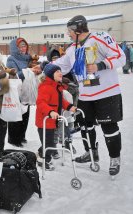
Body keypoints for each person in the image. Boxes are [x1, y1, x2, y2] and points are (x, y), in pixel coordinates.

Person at [54, 15, 126, 176]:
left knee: (109, 126)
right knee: (85, 125)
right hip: (85, 95)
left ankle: (115, 158)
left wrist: (100, 65)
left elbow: (121, 57)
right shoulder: (72, 48)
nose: (68, 34)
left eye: (70, 31)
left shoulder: (99, 37)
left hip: (106, 93)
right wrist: (45, 67)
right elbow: (64, 64)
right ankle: (91, 152)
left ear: (79, 29)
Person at [35, 63, 76, 170]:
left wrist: (70, 106)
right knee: (49, 143)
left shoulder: (56, 87)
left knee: (50, 142)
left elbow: (61, 101)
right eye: (57, 71)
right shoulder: (45, 87)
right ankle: (43, 160)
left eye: (60, 71)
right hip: (45, 120)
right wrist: (50, 112)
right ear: (50, 74)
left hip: (53, 121)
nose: (60, 73)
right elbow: (41, 103)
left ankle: (41, 153)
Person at [6, 37, 32, 147]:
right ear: (15, 48)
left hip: (26, 90)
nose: (24, 48)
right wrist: (28, 70)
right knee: (16, 115)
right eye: (21, 46)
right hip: (16, 90)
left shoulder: (28, 58)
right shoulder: (11, 59)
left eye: (25, 45)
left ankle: (22, 136)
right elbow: (15, 75)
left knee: (25, 114)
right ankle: (14, 139)